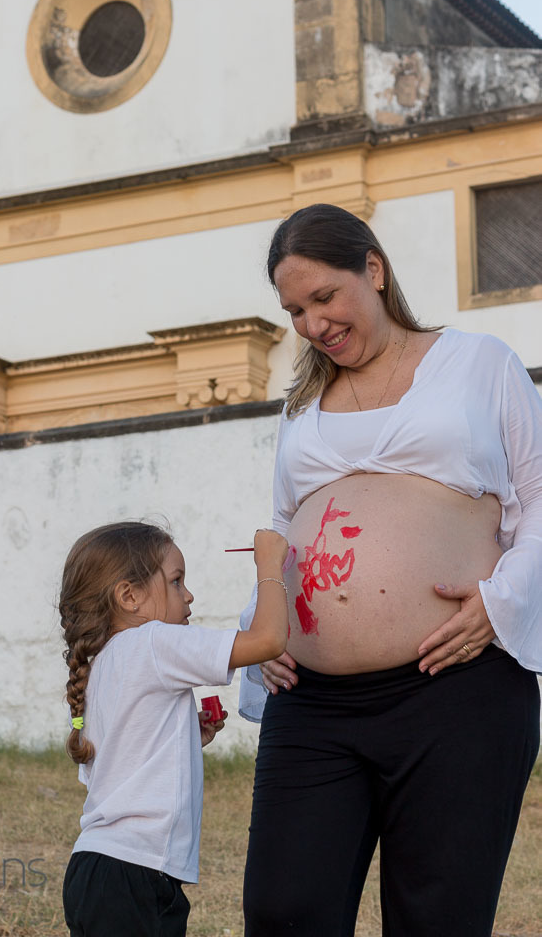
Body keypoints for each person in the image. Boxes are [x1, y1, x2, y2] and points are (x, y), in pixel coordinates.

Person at [239, 203, 542, 937]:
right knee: (284, 910)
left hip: (453, 687)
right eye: (294, 310)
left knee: (435, 918)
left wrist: (498, 604)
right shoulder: (301, 403)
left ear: (371, 270)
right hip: (311, 701)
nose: (312, 324)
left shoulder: (477, 362)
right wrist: (263, 631)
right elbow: (283, 529)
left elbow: (538, 497)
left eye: (323, 298)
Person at [59, 520, 288, 937]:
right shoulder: (153, 642)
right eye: (177, 581)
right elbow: (268, 641)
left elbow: (121, 763)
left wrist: (185, 738)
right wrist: (271, 568)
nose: (189, 595)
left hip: (96, 869)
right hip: (134, 875)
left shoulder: (101, 664)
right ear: (130, 596)